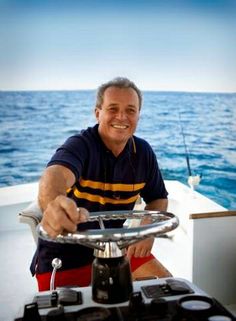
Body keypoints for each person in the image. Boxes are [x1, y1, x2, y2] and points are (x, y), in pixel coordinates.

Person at [30, 77, 172, 291]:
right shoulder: (80, 145)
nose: (122, 117)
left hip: (115, 250)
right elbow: (55, 175)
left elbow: (158, 197)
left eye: (130, 110)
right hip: (62, 257)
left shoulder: (143, 153)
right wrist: (54, 203)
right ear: (98, 113)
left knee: (168, 289)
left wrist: (148, 231)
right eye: (113, 108)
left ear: (138, 116)